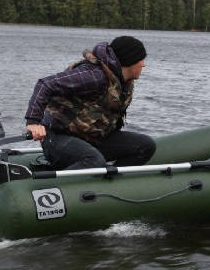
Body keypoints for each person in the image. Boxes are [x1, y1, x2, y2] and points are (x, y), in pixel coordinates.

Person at [25, 36, 156, 170]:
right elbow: (45, 84)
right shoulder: (94, 76)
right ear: (130, 60)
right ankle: (55, 186)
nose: (143, 64)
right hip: (58, 137)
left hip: (91, 138)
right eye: (141, 60)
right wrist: (33, 122)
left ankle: (110, 183)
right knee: (93, 160)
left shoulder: (123, 81)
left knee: (146, 146)